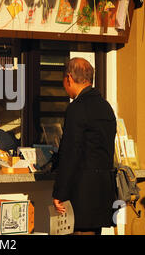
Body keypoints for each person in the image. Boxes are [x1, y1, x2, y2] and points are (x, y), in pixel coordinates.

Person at [52, 57, 117, 235]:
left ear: (69, 78)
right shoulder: (106, 107)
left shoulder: (77, 108)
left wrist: (59, 193)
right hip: (102, 193)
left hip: (80, 194)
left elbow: (70, 153)